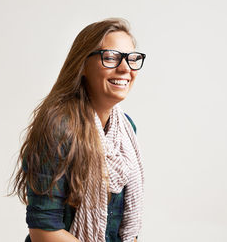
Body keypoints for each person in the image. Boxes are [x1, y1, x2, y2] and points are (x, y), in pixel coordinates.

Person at [11, 18, 146, 242]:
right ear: (82, 65)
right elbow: (43, 231)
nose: (125, 68)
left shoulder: (126, 130)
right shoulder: (58, 128)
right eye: (111, 57)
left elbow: (125, 228)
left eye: (132, 59)